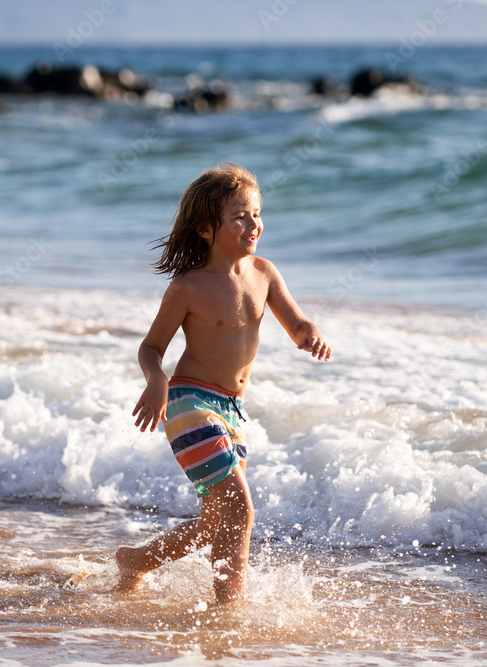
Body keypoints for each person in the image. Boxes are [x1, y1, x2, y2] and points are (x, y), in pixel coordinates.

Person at [115, 163, 331, 605]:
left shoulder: (264, 273)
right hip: (189, 403)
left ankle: (136, 561)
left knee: (215, 523)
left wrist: (310, 333)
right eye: (239, 216)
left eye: (256, 214)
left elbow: (296, 322)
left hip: (232, 410)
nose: (253, 224)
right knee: (241, 508)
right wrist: (156, 380)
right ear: (205, 229)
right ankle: (227, 612)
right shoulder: (189, 287)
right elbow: (151, 347)